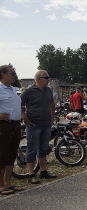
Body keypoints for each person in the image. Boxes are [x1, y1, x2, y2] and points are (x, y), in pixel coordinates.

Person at [21, 70, 57, 184]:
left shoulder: (48, 90)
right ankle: (31, 173)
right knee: (32, 149)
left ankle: (43, 171)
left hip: (46, 124)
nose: (48, 79)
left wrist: (53, 116)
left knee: (43, 148)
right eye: (46, 77)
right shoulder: (29, 91)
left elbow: (52, 103)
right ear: (39, 79)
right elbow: (19, 103)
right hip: (33, 125)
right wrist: (24, 117)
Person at [0, 64, 24, 195]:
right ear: (2, 74)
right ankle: (0, 186)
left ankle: (8, 183)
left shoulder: (12, 89)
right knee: (1, 155)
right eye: (11, 72)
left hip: (15, 125)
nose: (13, 75)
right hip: (3, 126)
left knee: (11, 155)